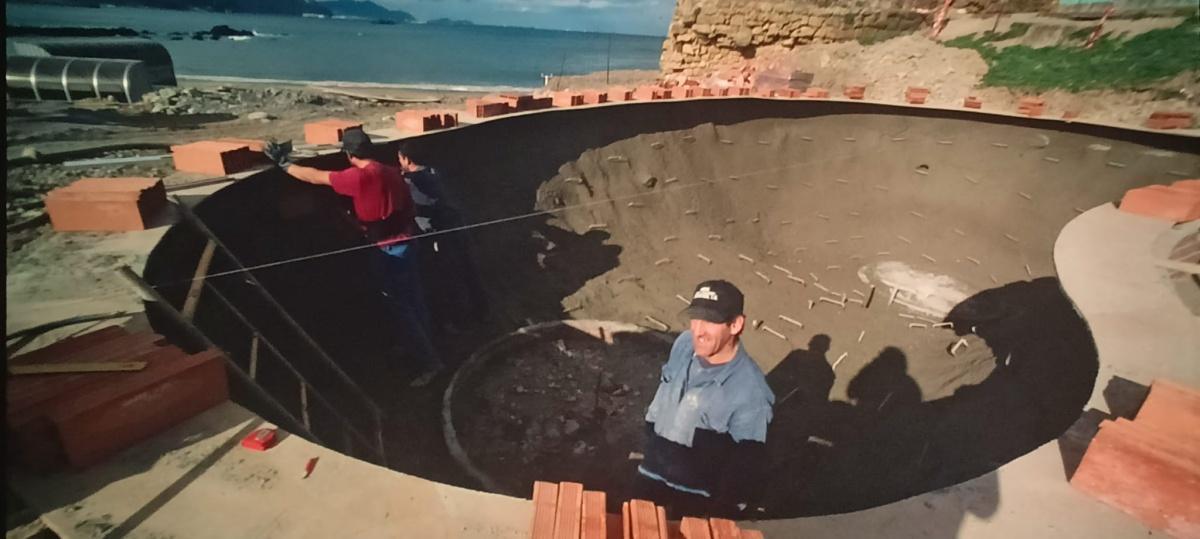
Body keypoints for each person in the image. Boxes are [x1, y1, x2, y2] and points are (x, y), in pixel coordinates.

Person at [281, 129, 444, 387]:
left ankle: (429, 362)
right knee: (415, 301)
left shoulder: (360, 177)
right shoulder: (392, 171)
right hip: (407, 243)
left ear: (348, 153)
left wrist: (285, 164)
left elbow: (315, 177)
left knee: (401, 308)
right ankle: (421, 345)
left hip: (389, 251)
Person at [636, 280, 775, 518]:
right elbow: (663, 395)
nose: (698, 331)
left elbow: (744, 467)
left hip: (696, 493)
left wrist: (718, 512)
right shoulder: (683, 344)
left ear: (736, 324)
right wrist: (650, 436)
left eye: (710, 321)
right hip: (653, 469)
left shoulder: (752, 394)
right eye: (695, 318)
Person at [396, 140, 489, 331]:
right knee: (468, 270)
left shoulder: (409, 183)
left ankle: (452, 321)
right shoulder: (434, 173)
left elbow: (419, 206)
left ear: (406, 159)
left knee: (444, 279)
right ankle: (482, 311)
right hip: (456, 228)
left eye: (399, 158)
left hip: (437, 237)